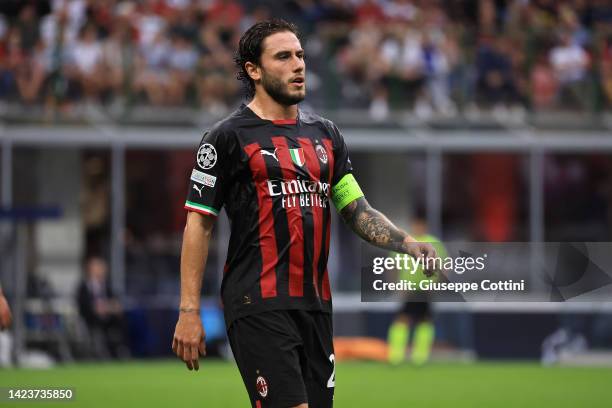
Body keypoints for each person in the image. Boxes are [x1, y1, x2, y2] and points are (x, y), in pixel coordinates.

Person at [172, 19, 436, 408]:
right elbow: (199, 223)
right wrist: (189, 310)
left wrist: (408, 243)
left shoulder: (325, 134)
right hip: (257, 303)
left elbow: (356, 209)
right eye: (283, 57)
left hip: (314, 305)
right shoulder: (226, 138)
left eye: (300, 55)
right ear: (253, 70)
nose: (298, 65)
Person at [387, 216, 446, 366]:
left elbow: (444, 265)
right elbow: (392, 265)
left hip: (425, 289)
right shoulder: (406, 242)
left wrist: (437, 283)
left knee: (424, 321)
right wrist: (396, 284)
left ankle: (419, 357)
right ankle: (396, 355)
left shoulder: (432, 242)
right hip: (409, 289)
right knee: (403, 319)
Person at [77, 256, 128, 359]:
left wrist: (106, 307)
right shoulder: (84, 287)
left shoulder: (107, 287)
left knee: (123, 320)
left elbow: (116, 304)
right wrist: (102, 307)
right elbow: (87, 307)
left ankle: (121, 351)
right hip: (91, 320)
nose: (101, 270)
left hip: (109, 320)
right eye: (98, 268)